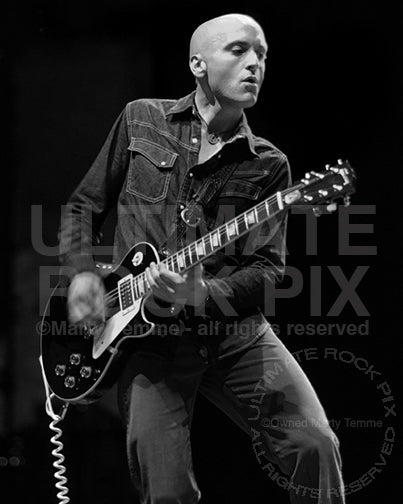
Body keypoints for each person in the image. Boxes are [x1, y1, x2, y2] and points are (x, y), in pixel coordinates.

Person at [58, 12, 345, 504]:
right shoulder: (140, 118)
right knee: (165, 490)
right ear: (197, 63)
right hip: (150, 340)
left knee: (314, 444)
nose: (255, 62)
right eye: (238, 50)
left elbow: (268, 268)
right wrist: (83, 275)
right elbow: (82, 207)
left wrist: (202, 293)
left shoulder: (270, 163)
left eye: (262, 55)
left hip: (233, 330)